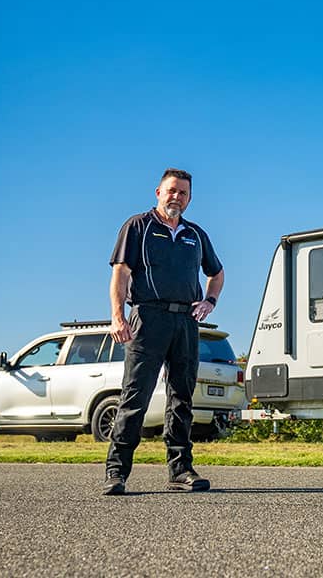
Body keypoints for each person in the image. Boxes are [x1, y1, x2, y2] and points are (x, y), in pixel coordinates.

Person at [102, 168, 225, 496]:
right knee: (135, 396)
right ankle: (116, 472)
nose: (177, 197)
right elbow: (121, 273)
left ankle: (180, 470)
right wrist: (117, 316)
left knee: (181, 398)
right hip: (147, 318)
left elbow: (217, 273)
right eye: (172, 191)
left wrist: (209, 301)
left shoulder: (195, 235)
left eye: (183, 193)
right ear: (158, 192)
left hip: (185, 322)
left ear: (189, 198)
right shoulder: (138, 226)